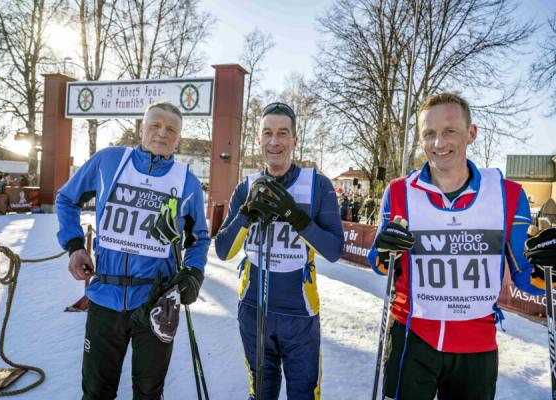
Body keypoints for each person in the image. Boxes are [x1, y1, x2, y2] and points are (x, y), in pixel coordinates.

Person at [368, 92, 556, 400]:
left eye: (449, 131)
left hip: (476, 345)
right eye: (429, 134)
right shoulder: (399, 192)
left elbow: (525, 275)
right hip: (411, 338)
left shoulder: (507, 194)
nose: (438, 143)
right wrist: (385, 249)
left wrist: (551, 266)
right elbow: (380, 263)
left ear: (471, 134)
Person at [55, 102, 210, 399]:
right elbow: (66, 199)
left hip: (157, 301)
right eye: (155, 125)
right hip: (106, 296)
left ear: (178, 138)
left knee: (149, 392)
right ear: (141, 129)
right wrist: (75, 246)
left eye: (171, 130)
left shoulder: (186, 181)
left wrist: (193, 272)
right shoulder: (109, 161)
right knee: (96, 392)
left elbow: (200, 237)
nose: (162, 133)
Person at [215, 102, 344, 400]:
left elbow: (334, 250)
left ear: (295, 140)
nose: (275, 141)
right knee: (260, 393)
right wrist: (246, 214)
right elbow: (223, 250)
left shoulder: (317, 185)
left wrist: (295, 216)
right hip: (252, 309)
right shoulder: (246, 186)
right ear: (258, 139)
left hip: (299, 313)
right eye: (267, 133)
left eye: (282, 133)